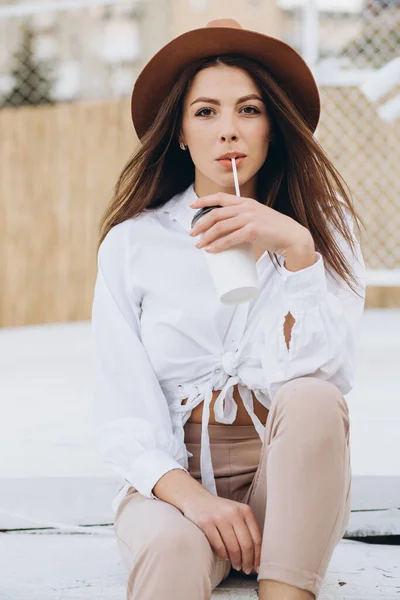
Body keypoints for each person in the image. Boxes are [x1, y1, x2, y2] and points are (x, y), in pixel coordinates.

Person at [90, 18, 366, 600]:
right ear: (181, 133)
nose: (228, 132)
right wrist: (197, 502)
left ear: (274, 127)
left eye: (249, 109)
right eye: (206, 112)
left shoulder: (323, 230)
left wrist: (296, 252)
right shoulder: (134, 244)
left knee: (314, 397)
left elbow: (325, 383)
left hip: (289, 484)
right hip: (176, 491)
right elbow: (120, 408)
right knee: (169, 550)